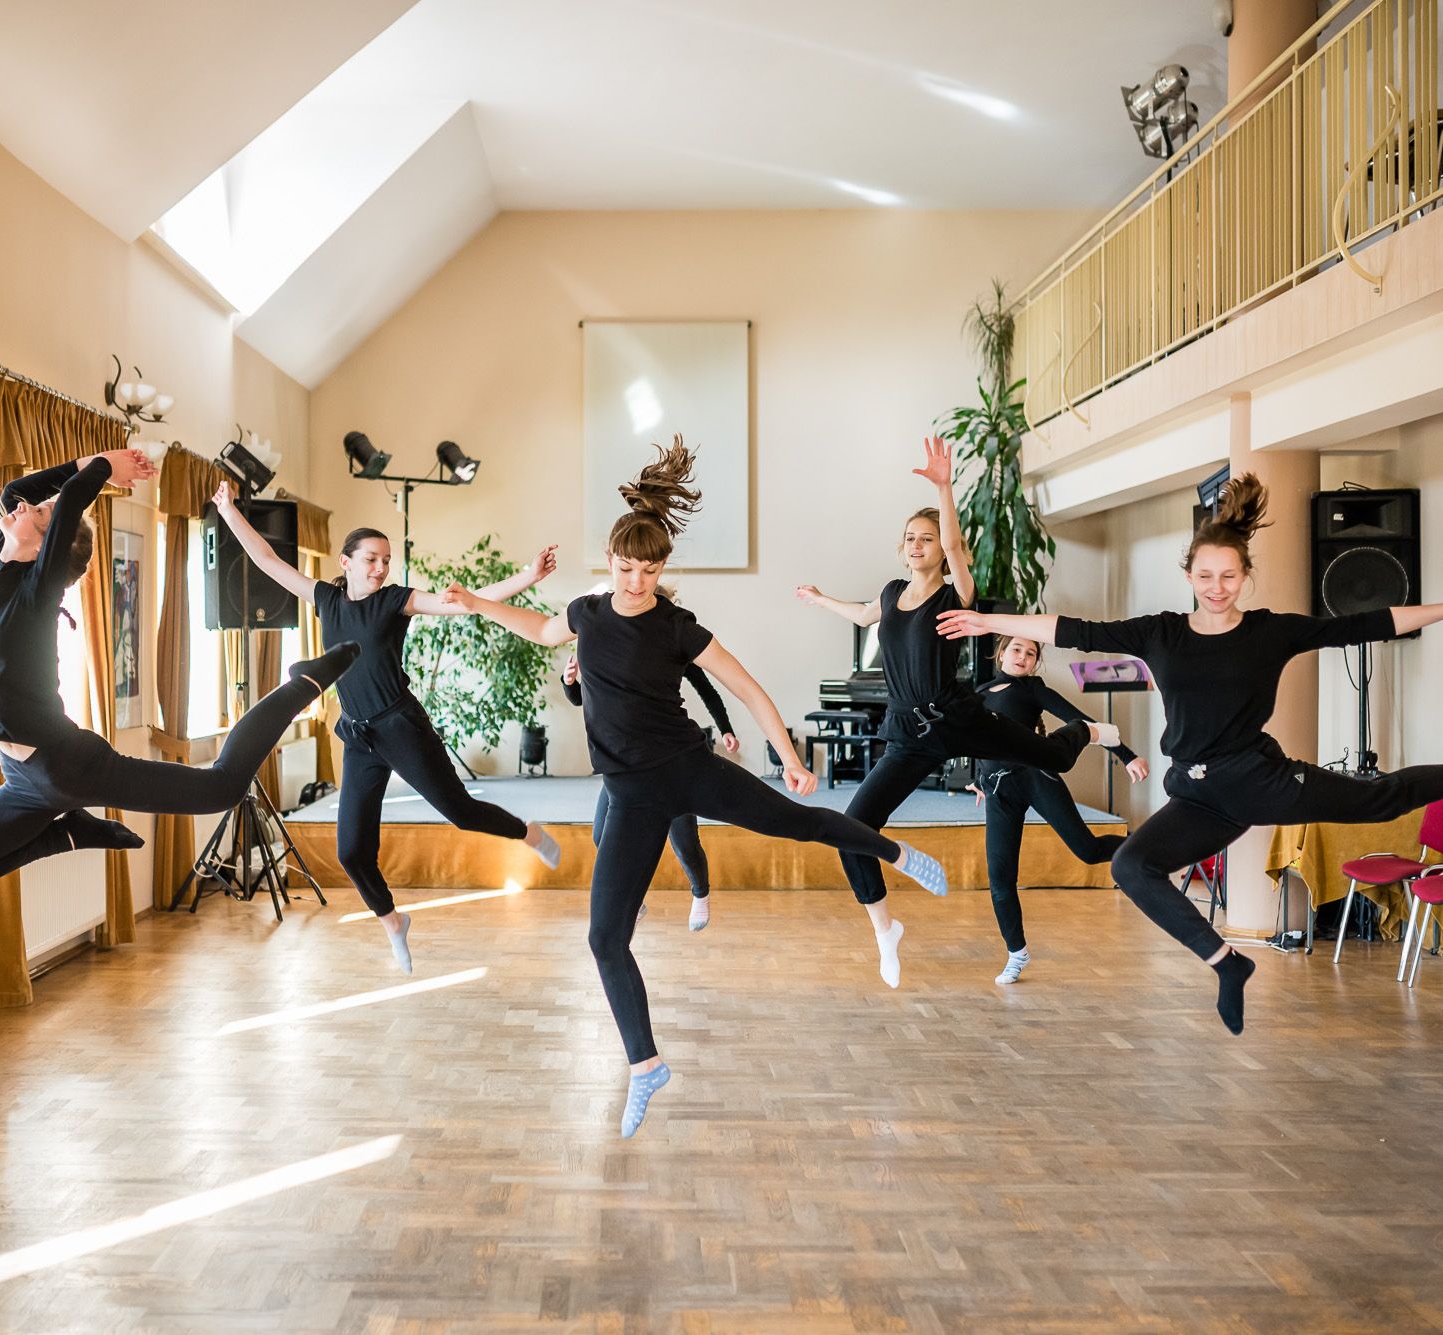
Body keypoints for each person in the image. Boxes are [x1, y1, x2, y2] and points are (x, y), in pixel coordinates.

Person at [442, 437, 949, 1138]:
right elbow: (538, 629)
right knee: (604, 938)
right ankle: (645, 1064)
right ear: (609, 559)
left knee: (801, 822)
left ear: (662, 568)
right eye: (626, 568)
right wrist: (476, 602)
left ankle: (896, 854)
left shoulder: (678, 626)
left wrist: (787, 756)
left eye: (650, 570)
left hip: (689, 768)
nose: (636, 582)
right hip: (629, 794)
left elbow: (747, 687)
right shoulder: (587, 613)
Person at [937, 474, 1443, 1034]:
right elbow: (1074, 630)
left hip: (1258, 781)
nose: (1216, 587)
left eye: (1228, 576)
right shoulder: (1160, 633)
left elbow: (1368, 623)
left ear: (1245, 576)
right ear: (1188, 575)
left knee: (1380, 801)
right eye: (1205, 575)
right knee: (1130, 866)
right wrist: (985, 620)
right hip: (1196, 795)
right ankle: (1227, 963)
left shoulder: (1270, 632)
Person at [0, 450, 359, 901]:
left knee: (222, 788)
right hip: (20, 778)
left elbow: (72, 497)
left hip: (66, 767)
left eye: (42, 512)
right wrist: (86, 464)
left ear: (47, 548)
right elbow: (17, 490)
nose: (24, 507)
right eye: (38, 508)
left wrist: (105, 465)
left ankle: (305, 682)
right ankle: (68, 835)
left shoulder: (37, 593)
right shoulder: (0, 575)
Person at [795, 437, 1117, 988]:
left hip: (959, 719)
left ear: (941, 550)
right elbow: (863, 615)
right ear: (901, 550)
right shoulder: (891, 593)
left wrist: (944, 488)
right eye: (910, 538)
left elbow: (955, 543)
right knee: (853, 829)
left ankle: (1084, 730)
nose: (918, 545)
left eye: (927, 538)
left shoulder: (954, 593)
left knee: (1055, 760)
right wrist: (821, 598)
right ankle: (885, 929)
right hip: (909, 734)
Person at [212, 481, 561, 974]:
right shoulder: (326, 599)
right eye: (371, 559)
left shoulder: (395, 600)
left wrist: (529, 575)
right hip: (358, 737)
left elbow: (463, 603)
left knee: (461, 812)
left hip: (400, 727)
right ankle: (393, 921)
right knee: (352, 851)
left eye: (386, 560)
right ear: (346, 562)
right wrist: (228, 510)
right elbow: (267, 560)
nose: (380, 568)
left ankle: (527, 833)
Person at [973, 634, 1144, 984]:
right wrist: (978, 779)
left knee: (1088, 851)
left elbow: (1083, 721)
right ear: (1001, 653)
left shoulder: (1032, 689)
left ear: (1035, 663)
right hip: (999, 791)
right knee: (1000, 879)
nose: (1022, 657)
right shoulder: (979, 694)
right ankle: (1016, 953)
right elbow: (974, 740)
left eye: (1030, 653)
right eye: (1016, 649)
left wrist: (1126, 756)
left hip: (1036, 777)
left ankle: (1146, 847)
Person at [562, 649, 739, 930]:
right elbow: (583, 698)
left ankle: (700, 892)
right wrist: (570, 682)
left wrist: (725, 728)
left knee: (684, 843)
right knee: (602, 836)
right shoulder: (612, 647)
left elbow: (706, 689)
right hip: (625, 764)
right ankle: (634, 901)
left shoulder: (672, 643)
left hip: (671, 761)